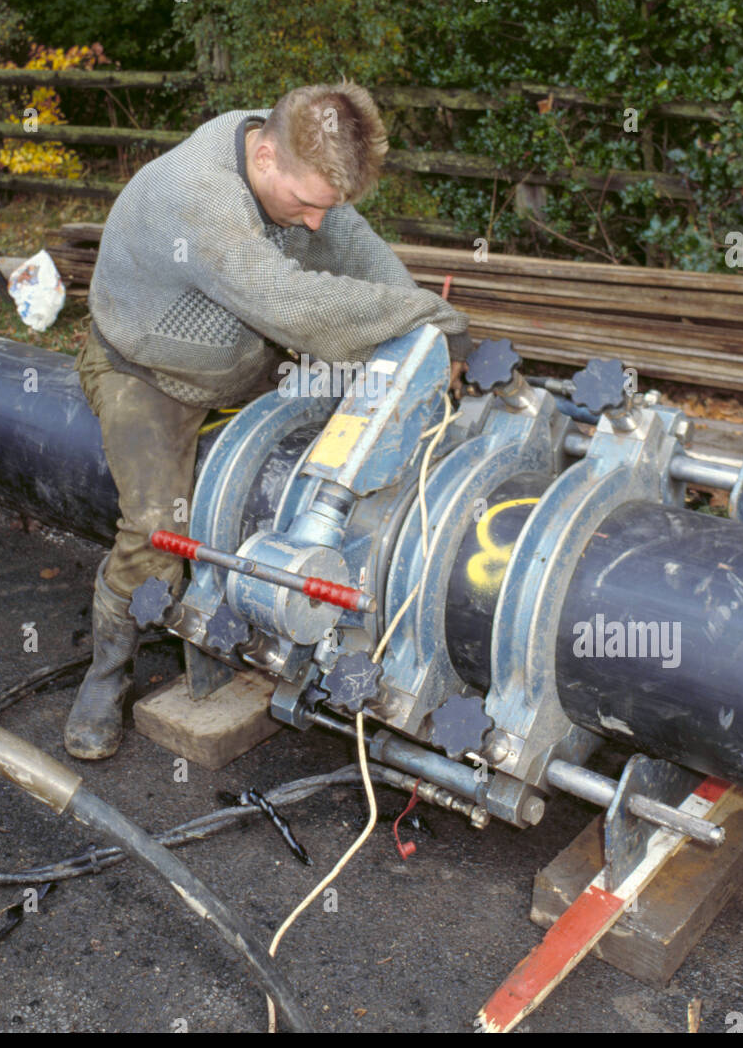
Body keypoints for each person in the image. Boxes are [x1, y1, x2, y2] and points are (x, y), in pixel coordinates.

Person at [66, 81, 474, 759]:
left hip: (248, 357)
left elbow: (354, 247)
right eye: (307, 205)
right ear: (262, 157)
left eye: (328, 206)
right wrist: (434, 316)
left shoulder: (293, 161)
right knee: (157, 532)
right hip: (146, 368)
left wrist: (425, 343)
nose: (315, 222)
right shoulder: (201, 195)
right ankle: (105, 676)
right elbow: (289, 303)